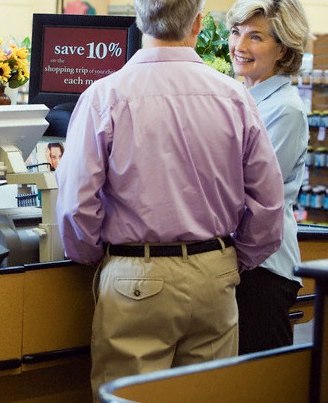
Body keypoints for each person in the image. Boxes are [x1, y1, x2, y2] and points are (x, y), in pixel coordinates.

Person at [55, 0, 285, 397]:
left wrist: (97, 257)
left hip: (135, 277)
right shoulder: (234, 97)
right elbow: (268, 203)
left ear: (139, 20)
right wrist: (233, 258)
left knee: (129, 397)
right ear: (198, 23)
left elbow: (77, 205)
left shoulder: (103, 96)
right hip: (215, 274)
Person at [227, 0, 310, 354]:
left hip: (263, 270)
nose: (239, 47)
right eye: (236, 32)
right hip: (239, 265)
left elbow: (253, 193)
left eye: (255, 37)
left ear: (283, 49)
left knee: (258, 382)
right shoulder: (242, 98)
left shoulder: (285, 110)